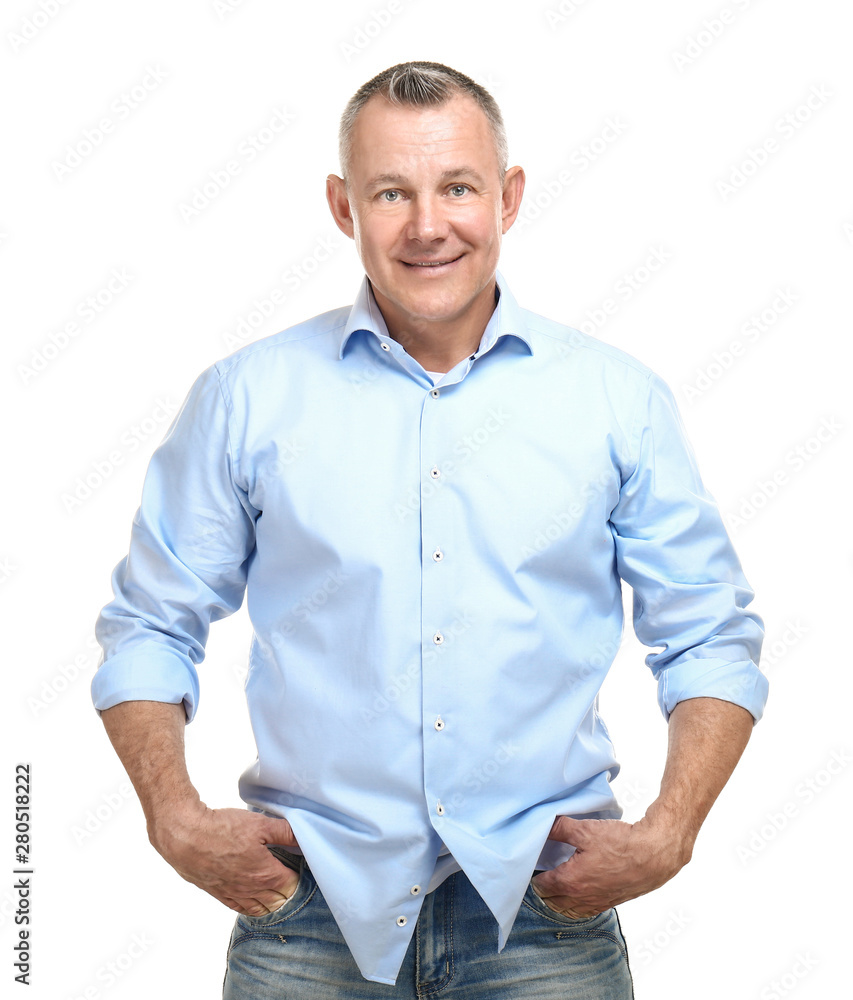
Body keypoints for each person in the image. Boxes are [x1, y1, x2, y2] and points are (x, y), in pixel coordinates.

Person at [91, 61, 768, 998]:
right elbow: (148, 627)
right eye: (389, 192)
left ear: (509, 196)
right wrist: (170, 815)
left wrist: (669, 831)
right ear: (342, 206)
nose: (426, 225)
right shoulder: (247, 399)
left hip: (545, 919)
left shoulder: (617, 403)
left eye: (456, 187)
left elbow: (708, 638)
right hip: (304, 915)